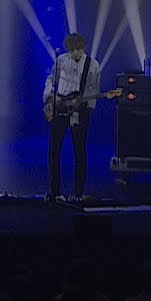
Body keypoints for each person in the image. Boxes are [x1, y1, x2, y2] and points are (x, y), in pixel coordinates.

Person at [43, 32, 101, 201]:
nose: (76, 53)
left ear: (83, 48)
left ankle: (79, 192)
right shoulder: (61, 60)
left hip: (80, 110)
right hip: (60, 107)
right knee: (54, 150)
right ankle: (55, 192)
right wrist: (50, 98)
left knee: (79, 150)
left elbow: (94, 89)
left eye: (78, 49)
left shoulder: (93, 65)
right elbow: (50, 80)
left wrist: (88, 107)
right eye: (72, 49)